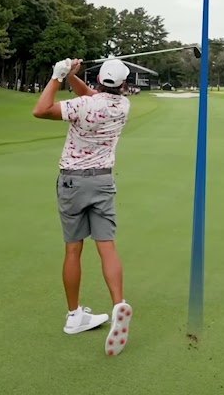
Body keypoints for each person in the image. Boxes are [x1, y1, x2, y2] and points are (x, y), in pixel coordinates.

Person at [32, 58, 135, 357]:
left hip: (72, 182)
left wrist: (57, 77)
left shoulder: (82, 106)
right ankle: (118, 304)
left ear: (99, 79)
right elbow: (94, 96)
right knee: (107, 246)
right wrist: (71, 76)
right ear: (124, 85)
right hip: (103, 181)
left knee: (73, 249)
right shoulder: (123, 106)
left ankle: (74, 316)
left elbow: (41, 110)